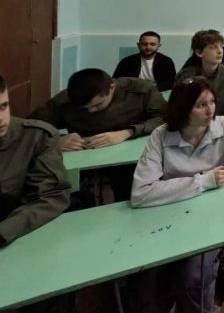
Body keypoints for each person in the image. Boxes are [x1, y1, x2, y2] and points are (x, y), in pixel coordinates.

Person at [130, 77, 224, 312]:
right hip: (168, 215)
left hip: (213, 213)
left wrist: (176, 187)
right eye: (200, 105)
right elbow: (141, 192)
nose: (210, 110)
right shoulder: (161, 136)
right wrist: (204, 181)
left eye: (212, 102)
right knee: (146, 279)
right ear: (183, 109)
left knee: (193, 274)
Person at [31, 68, 166, 200]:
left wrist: (128, 132)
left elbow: (164, 117)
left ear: (111, 88)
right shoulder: (64, 100)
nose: (91, 111)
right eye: (84, 108)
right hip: (83, 160)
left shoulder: (140, 90)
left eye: (97, 105)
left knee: (129, 187)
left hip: (131, 158)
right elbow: (30, 128)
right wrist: (56, 141)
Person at [0, 74, 71, 247]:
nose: (1, 118)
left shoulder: (36, 136)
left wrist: (4, 231)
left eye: (3, 106)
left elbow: (51, 197)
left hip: (16, 234)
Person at [175, 29, 224, 127]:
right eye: (213, 47)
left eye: (221, 46)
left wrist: (223, 126)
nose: (220, 51)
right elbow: (178, 109)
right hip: (195, 127)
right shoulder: (185, 76)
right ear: (199, 52)